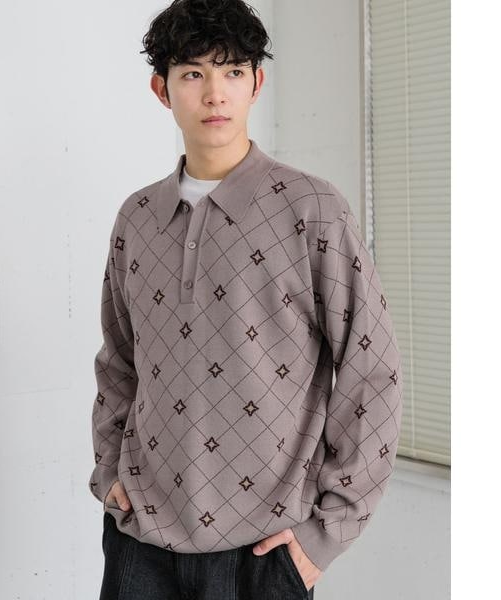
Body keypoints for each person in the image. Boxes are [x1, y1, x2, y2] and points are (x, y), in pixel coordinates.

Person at [89, 1, 403, 598]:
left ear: (256, 84)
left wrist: (326, 534)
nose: (215, 94)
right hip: (139, 541)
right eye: (193, 73)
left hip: (264, 552)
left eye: (232, 71)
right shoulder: (137, 216)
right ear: (162, 90)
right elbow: (119, 361)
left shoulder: (313, 210)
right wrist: (110, 473)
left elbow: (372, 369)